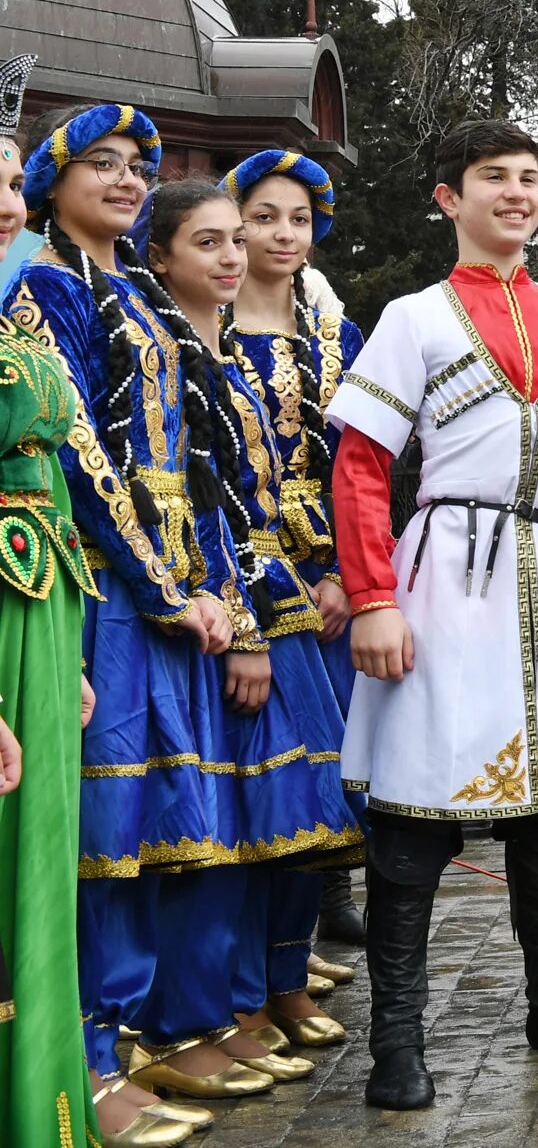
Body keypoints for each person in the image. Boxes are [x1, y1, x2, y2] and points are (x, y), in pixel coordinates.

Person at [328, 119, 538, 1111]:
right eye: (494, 179)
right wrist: (374, 598)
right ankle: (397, 1044)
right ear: (449, 197)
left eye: (528, 179)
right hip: (448, 580)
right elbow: (359, 466)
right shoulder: (414, 317)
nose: (517, 194)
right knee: (414, 818)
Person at [9, 104, 288, 1139]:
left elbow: (201, 467)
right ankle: (89, 1057)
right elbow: (80, 456)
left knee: (175, 825)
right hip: (103, 593)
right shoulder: (47, 285)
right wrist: (168, 590)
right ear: (51, 179)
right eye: (104, 165)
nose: (127, 181)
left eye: (139, 166)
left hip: (172, 594)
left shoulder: (129, 290)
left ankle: (149, 1036)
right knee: (106, 835)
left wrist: (217, 589)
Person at [143, 180, 361, 1086]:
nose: (243, 251)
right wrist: (247, 622)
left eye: (264, 230)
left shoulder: (266, 340)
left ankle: (265, 985)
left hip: (286, 595)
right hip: (227, 604)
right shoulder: (178, 350)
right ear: (164, 255)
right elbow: (214, 506)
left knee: (293, 813)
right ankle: (206, 1010)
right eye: (223, 236)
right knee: (235, 819)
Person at [223, 153, 370, 954]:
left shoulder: (337, 336)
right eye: (265, 216)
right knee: (264, 768)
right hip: (244, 571)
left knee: (335, 753)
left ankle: (300, 946)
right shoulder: (201, 330)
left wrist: (347, 573)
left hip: (331, 573)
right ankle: (255, 973)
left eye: (299, 219)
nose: (283, 233)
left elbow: (366, 464)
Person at [0, 61, 101, 1148]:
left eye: (17, 181)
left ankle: (41, 1113)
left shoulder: (21, 319)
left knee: (37, 875)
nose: (7, 205)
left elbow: (53, 484)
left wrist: (66, 657)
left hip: (39, 613)